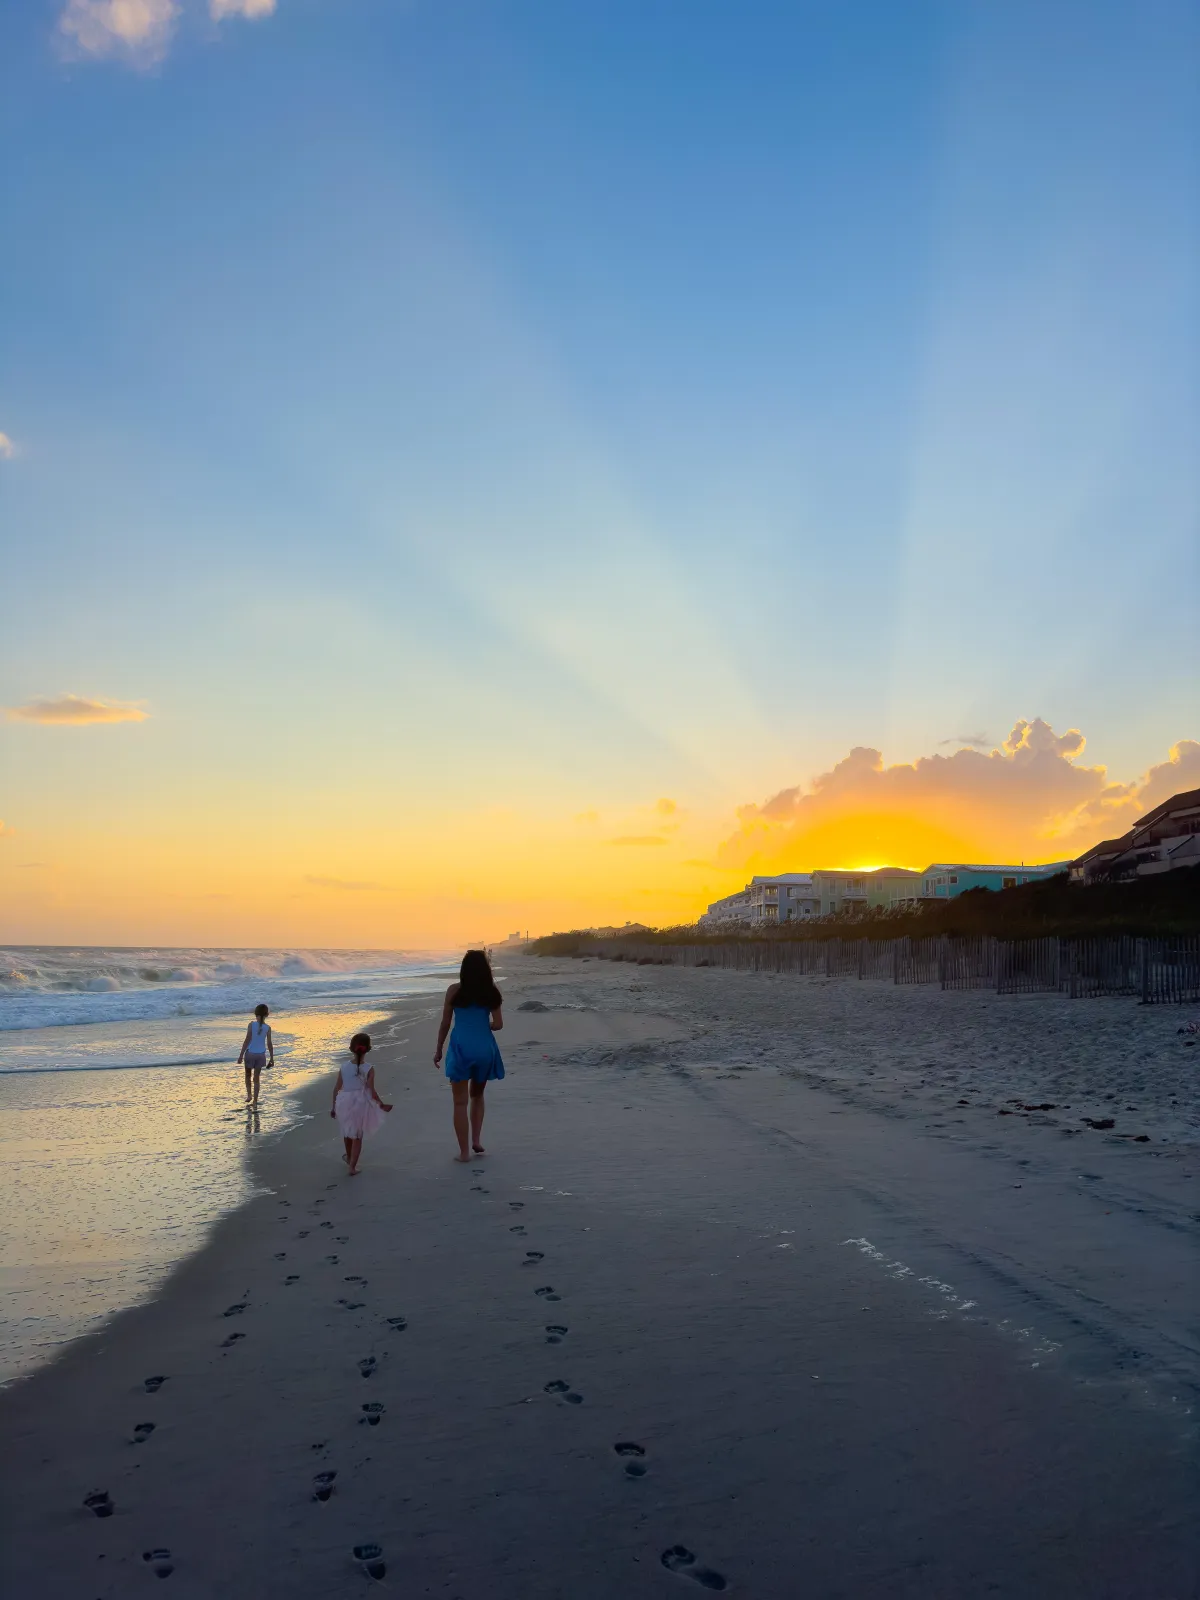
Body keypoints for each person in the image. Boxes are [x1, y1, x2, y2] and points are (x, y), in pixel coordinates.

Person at [434, 950, 504, 1162]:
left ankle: (464, 1153)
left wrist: (438, 1049)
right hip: (484, 1049)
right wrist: (485, 1026)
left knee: (459, 1103)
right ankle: (476, 1140)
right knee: (477, 1096)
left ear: (464, 969)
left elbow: (446, 1023)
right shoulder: (491, 992)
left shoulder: (454, 991)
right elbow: (499, 1024)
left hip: (460, 1049)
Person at [330, 1032, 392, 1176]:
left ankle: (349, 1158)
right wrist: (381, 1104)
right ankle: (352, 1167)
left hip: (343, 1101)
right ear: (368, 1049)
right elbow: (371, 1090)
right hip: (360, 1102)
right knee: (357, 1135)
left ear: (351, 1048)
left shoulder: (344, 1067)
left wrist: (333, 1106)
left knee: (347, 1130)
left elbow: (336, 1088)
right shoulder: (369, 1068)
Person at [237, 1003, 273, 1105]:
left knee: (248, 1075)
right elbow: (269, 1044)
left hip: (250, 1054)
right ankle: (255, 1100)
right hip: (261, 1055)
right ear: (267, 1015)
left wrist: (240, 1055)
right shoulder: (267, 1028)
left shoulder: (251, 1025)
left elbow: (247, 1040)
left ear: (255, 1013)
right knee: (256, 1078)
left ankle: (249, 1095)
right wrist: (271, 1058)